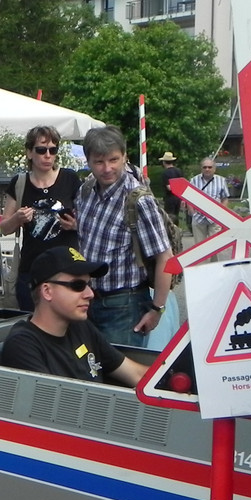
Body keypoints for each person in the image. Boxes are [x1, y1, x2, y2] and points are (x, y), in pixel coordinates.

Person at [74, 125, 171, 347]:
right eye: (99, 162)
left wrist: (157, 309)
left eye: (114, 160)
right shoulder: (86, 190)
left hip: (125, 306)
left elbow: (165, 257)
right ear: (88, 161)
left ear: (125, 157)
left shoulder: (138, 201)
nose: (107, 168)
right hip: (87, 301)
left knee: (121, 368)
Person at [1, 246, 147, 386]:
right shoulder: (23, 344)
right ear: (47, 291)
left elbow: (136, 374)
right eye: (78, 285)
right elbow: (51, 400)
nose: (90, 294)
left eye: (89, 284)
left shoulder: (81, 327)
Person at [0, 126, 80, 312]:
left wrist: (75, 225)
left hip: (66, 268)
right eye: (41, 150)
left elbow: (89, 220)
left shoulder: (70, 179)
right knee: (31, 321)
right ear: (29, 152)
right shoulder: (20, 183)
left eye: (53, 150)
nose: (48, 156)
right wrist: (17, 218)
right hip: (32, 270)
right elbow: (4, 228)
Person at [189, 158, 232, 245]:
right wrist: (192, 213)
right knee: (199, 246)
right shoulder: (194, 180)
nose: (207, 169)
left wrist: (221, 213)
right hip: (198, 217)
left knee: (215, 245)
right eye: (205, 167)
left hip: (215, 218)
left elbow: (225, 198)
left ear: (214, 169)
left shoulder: (221, 180)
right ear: (201, 168)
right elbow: (188, 198)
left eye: (209, 167)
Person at [159, 152, 185, 228]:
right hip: (178, 197)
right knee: (176, 216)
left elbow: (169, 187)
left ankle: (170, 230)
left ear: (164, 162)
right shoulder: (179, 171)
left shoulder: (165, 173)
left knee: (169, 217)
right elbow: (182, 184)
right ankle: (177, 230)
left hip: (170, 198)